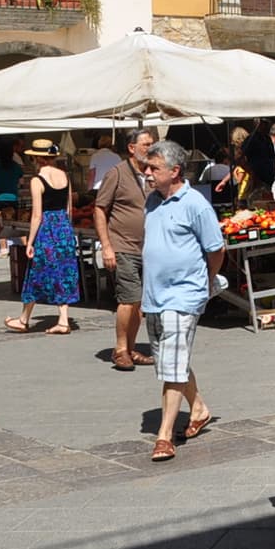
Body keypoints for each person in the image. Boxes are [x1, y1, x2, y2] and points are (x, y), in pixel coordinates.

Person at [140, 140, 226, 462]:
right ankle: (199, 408)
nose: (147, 173)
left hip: (184, 295)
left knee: (171, 368)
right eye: (147, 167)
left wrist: (205, 282)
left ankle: (164, 435)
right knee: (171, 362)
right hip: (154, 296)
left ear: (175, 171)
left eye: (154, 168)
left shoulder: (196, 205)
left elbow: (217, 249)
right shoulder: (151, 201)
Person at [94, 127, 156, 371]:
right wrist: (106, 247)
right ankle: (120, 350)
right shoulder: (116, 174)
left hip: (148, 249)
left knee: (140, 303)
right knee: (128, 300)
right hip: (122, 245)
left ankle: (131, 348)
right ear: (132, 148)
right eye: (146, 144)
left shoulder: (151, 174)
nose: (151, 149)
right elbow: (100, 209)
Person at [6, 139, 78, 334]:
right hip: (64, 228)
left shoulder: (37, 180)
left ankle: (24, 319)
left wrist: (29, 241)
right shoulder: (65, 176)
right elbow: (69, 209)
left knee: (35, 273)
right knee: (64, 273)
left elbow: (37, 214)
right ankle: (63, 320)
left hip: (47, 230)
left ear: (37, 158)